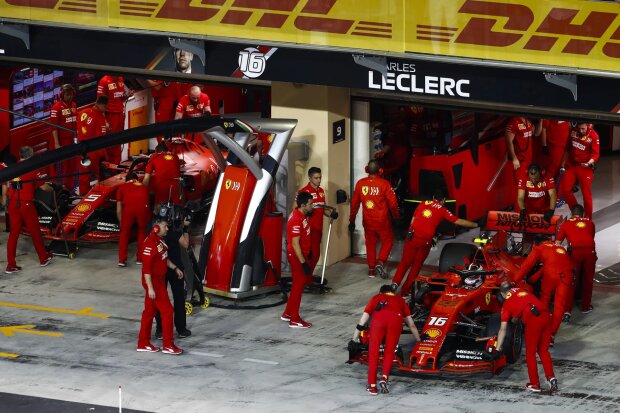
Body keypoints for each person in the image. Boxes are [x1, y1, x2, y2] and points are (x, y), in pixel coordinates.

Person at [391, 188, 478, 297]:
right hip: (425, 240)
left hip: (411, 235)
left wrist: (411, 231)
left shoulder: (423, 203)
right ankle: (405, 291)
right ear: (443, 200)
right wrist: (475, 224)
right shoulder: (442, 210)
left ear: (433, 198)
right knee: (416, 266)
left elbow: (413, 219)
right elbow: (458, 221)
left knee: (405, 262)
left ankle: (395, 283)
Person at [352, 284, 422, 395]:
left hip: (378, 322)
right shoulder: (400, 300)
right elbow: (411, 324)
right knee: (389, 351)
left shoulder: (376, 298)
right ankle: (384, 378)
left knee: (374, 352)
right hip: (396, 322)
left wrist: (354, 338)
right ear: (392, 292)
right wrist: (418, 339)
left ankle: (372, 386)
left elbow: (362, 322)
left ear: (381, 292)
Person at [496, 282, 557, 393]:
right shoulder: (521, 290)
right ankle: (551, 377)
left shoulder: (506, 305)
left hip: (534, 321)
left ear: (502, 294)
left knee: (530, 353)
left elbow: (503, 329)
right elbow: (523, 305)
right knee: (543, 350)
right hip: (547, 316)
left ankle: (534, 384)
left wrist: (498, 347)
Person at [137, 212, 184, 355]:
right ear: (156, 228)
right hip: (154, 283)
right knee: (168, 311)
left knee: (149, 312)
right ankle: (168, 345)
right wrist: (150, 288)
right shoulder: (150, 245)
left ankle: (143, 342)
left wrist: (175, 268)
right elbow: (146, 270)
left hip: (159, 281)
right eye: (165, 226)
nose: (167, 229)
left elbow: (164, 258)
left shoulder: (159, 241)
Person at [2, 146, 54, 273]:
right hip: (26, 205)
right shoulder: (33, 168)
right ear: (31, 156)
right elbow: (44, 188)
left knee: (13, 234)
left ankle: (11, 265)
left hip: (13, 204)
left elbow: (5, 187)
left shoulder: (13, 168)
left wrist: (4, 201)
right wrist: (53, 188)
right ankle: (43, 258)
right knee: (35, 231)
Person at [513, 240, 574, 343]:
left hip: (551, 274)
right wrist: (532, 279)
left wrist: (514, 281)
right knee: (559, 306)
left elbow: (526, 266)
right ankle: (551, 336)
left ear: (534, 244)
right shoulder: (558, 247)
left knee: (544, 300)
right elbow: (553, 264)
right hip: (567, 275)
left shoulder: (539, 248)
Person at [349, 160, 399, 278]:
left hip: (368, 222)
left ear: (367, 170)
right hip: (383, 221)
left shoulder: (360, 184)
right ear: (380, 171)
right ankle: (380, 262)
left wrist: (351, 221)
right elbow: (393, 204)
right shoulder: (385, 184)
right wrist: (396, 216)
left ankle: (371, 270)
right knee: (388, 241)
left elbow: (355, 205)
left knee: (370, 244)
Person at [155, 205, 192, 339]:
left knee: (159, 299)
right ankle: (181, 329)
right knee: (178, 298)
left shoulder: (154, 233)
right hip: (174, 268)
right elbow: (186, 244)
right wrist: (186, 228)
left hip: (160, 269)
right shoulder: (174, 232)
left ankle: (159, 329)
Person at [556, 204, 597, 315]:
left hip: (575, 253)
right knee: (588, 280)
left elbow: (557, 243)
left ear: (571, 214)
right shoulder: (590, 223)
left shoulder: (566, 224)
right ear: (582, 214)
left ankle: (567, 310)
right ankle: (585, 307)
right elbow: (590, 237)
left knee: (571, 280)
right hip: (590, 253)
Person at [281, 191, 314, 328]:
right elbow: (295, 244)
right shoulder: (296, 219)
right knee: (298, 287)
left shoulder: (302, 215)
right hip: (296, 257)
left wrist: (309, 251)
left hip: (302, 254)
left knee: (297, 285)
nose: (312, 206)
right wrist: (303, 263)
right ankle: (294, 319)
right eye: (310, 204)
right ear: (303, 205)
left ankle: (287, 313)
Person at [297, 167, 337, 273]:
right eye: (316, 178)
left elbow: (322, 209)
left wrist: (331, 214)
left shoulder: (322, 191)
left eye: (320, 178)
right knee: (309, 255)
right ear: (309, 178)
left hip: (318, 230)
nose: (319, 180)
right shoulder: (304, 192)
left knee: (316, 255)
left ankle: (308, 278)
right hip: (308, 230)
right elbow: (296, 211)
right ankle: (306, 278)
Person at [558, 122, 600, 219]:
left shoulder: (594, 135)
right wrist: (563, 163)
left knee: (586, 194)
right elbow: (567, 148)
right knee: (566, 190)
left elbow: (596, 154)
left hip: (585, 167)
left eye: (583, 129)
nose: (581, 131)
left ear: (588, 125)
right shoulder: (573, 131)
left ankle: (588, 217)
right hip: (571, 165)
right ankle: (576, 213)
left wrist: (589, 163)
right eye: (579, 128)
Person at [77, 95, 110, 195]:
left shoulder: (83, 112)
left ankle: (82, 197)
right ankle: (102, 196)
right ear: (103, 105)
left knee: (84, 176)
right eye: (106, 107)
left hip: (81, 150)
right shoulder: (99, 117)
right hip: (94, 152)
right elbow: (101, 139)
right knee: (101, 174)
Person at [116, 172, 151, 267]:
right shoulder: (143, 186)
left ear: (127, 180)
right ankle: (140, 259)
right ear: (137, 179)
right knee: (142, 232)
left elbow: (119, 208)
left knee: (124, 233)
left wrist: (121, 223)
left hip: (128, 210)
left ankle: (122, 260)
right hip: (143, 209)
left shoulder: (122, 187)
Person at [97, 75, 133, 164]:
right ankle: (109, 168)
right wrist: (104, 120)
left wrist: (127, 95)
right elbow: (99, 103)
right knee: (110, 144)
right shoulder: (104, 81)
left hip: (120, 114)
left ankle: (117, 165)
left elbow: (120, 98)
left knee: (119, 141)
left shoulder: (121, 78)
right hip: (110, 115)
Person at [49, 84, 78, 189]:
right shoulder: (56, 108)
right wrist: (57, 143)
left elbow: (75, 123)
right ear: (61, 95)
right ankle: (61, 189)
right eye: (67, 95)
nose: (69, 97)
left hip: (71, 140)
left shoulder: (74, 105)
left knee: (71, 166)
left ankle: (70, 188)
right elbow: (53, 128)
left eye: (71, 94)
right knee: (62, 167)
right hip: (61, 142)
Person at [143, 141, 182, 205]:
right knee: (176, 209)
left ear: (157, 151)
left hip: (162, 186)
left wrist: (141, 193)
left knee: (159, 210)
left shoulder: (154, 157)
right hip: (176, 186)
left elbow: (146, 179)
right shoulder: (175, 156)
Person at [505, 116, 536, 183]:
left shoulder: (528, 121)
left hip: (528, 157)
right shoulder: (513, 122)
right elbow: (508, 141)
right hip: (520, 158)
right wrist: (514, 158)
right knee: (520, 180)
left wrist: (540, 121)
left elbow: (536, 133)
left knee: (526, 179)